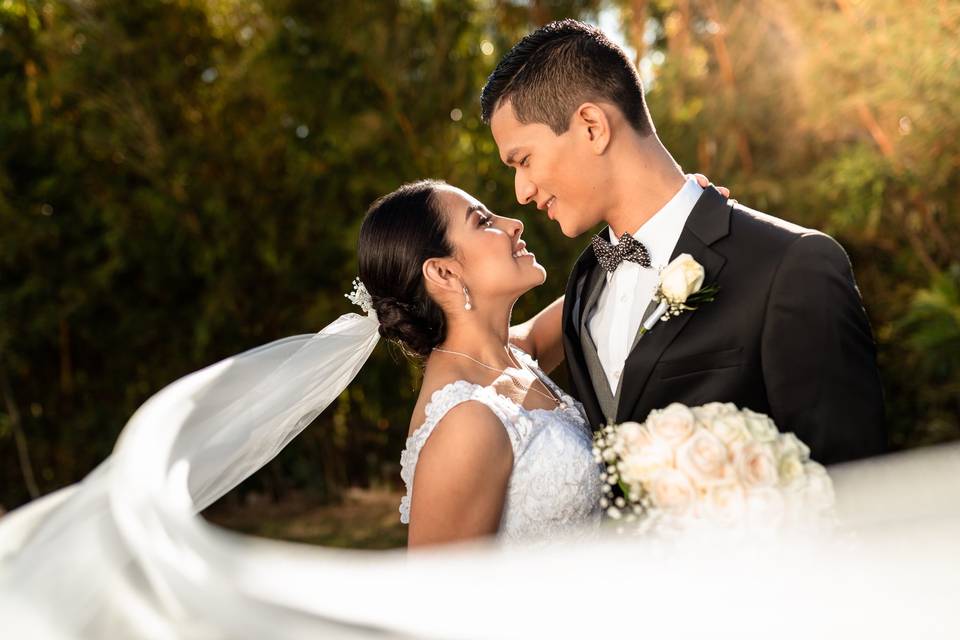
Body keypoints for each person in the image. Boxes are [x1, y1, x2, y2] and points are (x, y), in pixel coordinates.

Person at [480, 20, 886, 465]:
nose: (522, 192)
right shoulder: (584, 285)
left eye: (523, 160)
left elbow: (853, 491)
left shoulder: (790, 266)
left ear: (592, 126)